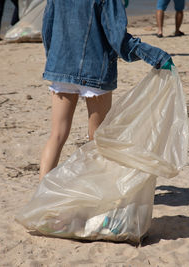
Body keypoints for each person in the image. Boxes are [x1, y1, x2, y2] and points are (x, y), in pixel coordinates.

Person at [39, 0, 174, 180]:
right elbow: (117, 38)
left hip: (61, 66)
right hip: (95, 70)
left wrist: (54, 60)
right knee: (96, 140)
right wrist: (155, 56)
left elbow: (47, 30)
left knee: (56, 135)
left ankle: (42, 195)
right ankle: (91, 191)